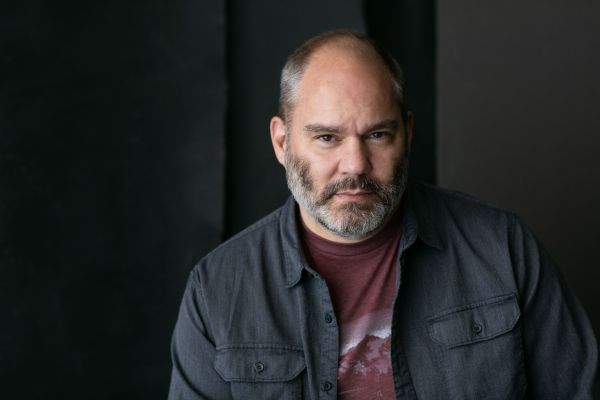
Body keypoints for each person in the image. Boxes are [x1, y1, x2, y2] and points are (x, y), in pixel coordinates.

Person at [167, 30, 597, 399]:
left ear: (406, 134)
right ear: (282, 142)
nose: (355, 164)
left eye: (377, 134)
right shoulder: (218, 289)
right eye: (327, 137)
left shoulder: (501, 249)